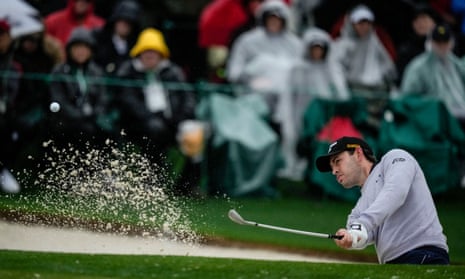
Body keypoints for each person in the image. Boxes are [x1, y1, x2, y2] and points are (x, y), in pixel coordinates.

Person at [315, 136, 449, 264]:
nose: (334, 171)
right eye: (331, 167)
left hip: (424, 254)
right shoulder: (359, 210)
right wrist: (351, 238)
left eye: (337, 161)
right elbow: (364, 233)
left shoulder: (394, 158)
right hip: (394, 263)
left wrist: (362, 224)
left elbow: (396, 192)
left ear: (358, 153)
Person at [114, 28, 201, 196]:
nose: (150, 57)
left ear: (161, 55)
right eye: (146, 53)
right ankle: (152, 181)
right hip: (139, 125)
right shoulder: (129, 71)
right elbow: (128, 101)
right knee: (155, 130)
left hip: (173, 121)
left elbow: (188, 97)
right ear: (139, 54)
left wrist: (181, 117)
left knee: (195, 133)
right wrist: (149, 117)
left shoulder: (172, 72)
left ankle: (186, 186)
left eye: (154, 53)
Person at [48, 27, 108, 149]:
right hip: (67, 121)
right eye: (77, 47)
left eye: (85, 48)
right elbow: (59, 99)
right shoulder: (59, 71)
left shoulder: (96, 71)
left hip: (92, 119)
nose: (81, 52)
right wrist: (79, 116)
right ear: (69, 50)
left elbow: (103, 97)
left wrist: (95, 114)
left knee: (105, 130)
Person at [401, 23, 465, 130]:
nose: (442, 46)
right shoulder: (418, 67)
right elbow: (407, 97)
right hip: (435, 119)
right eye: (438, 42)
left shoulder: (456, 64)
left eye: (445, 42)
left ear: (451, 43)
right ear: (431, 43)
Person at [92, 0, 142, 76]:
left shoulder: (136, 45)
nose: (124, 25)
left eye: (129, 23)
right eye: (121, 21)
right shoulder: (100, 39)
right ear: (115, 21)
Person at [0, 19, 21, 193]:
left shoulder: (14, 64)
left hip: (7, 114)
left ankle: (2, 171)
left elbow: (15, 93)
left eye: (2, 35)